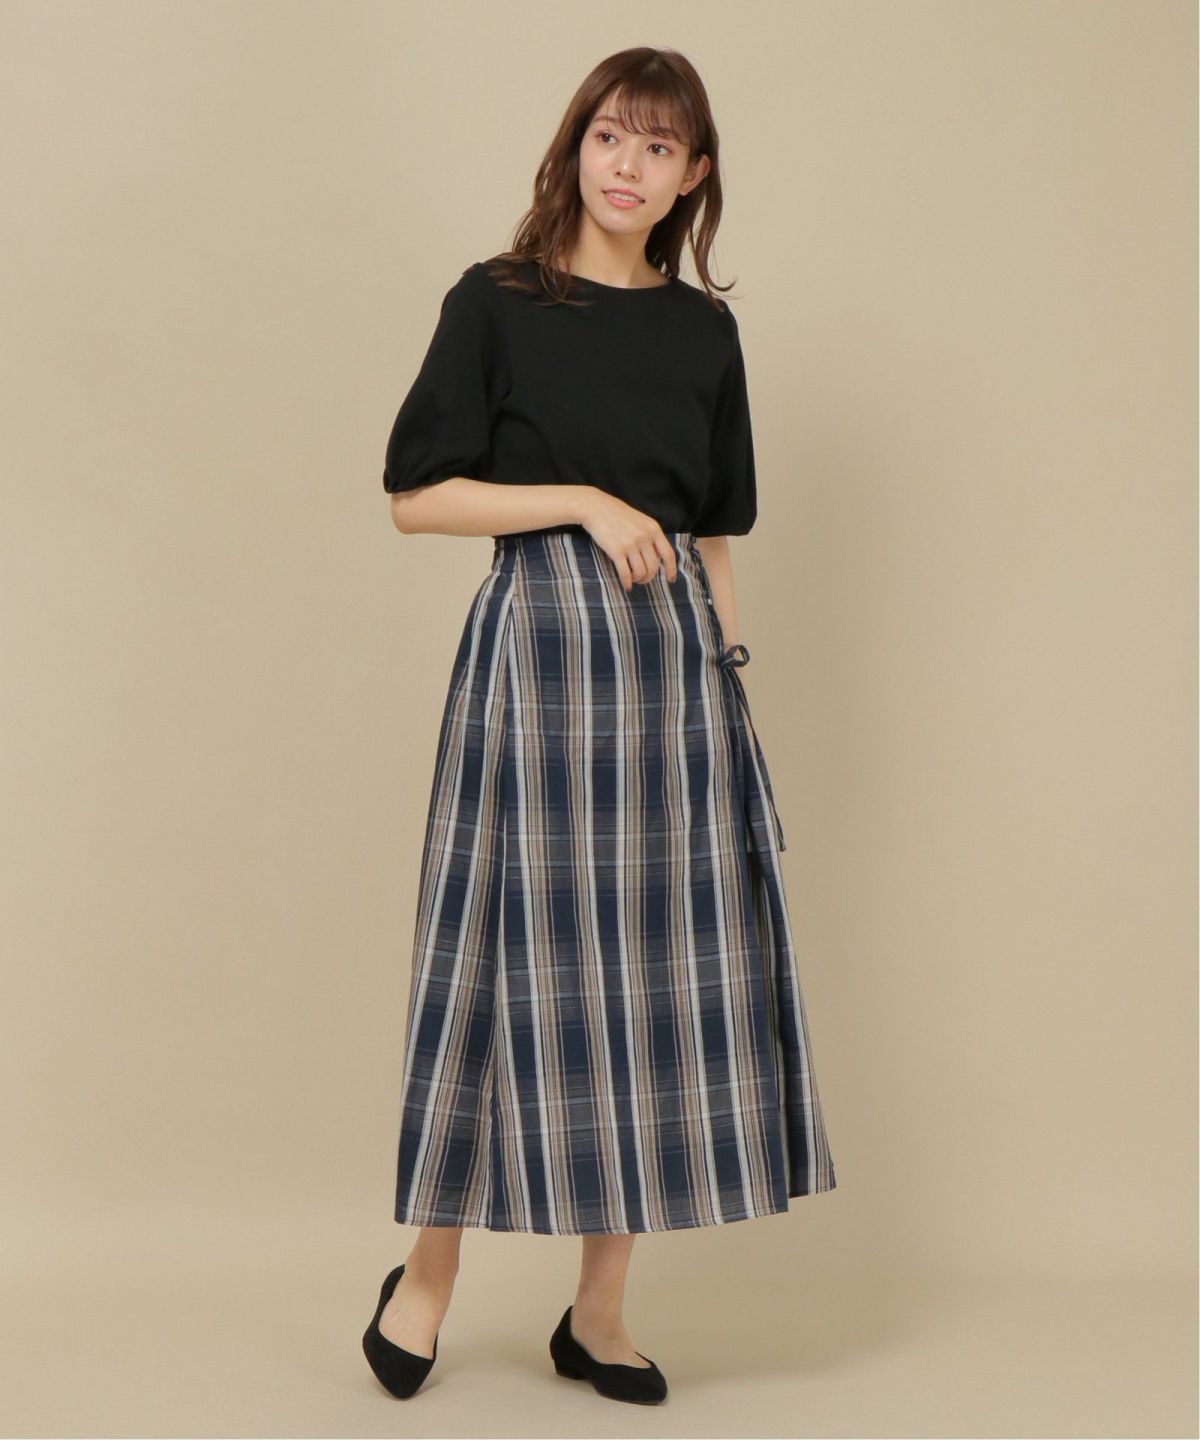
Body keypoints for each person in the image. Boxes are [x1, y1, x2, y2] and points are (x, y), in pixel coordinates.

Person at [361, 46, 837, 1406]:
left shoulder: (703, 336)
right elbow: (415, 496)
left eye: (660, 148)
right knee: (492, 960)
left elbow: (714, 531)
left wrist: (731, 679)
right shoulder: (497, 301)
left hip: (674, 675)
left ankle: (601, 1311)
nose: (629, 166)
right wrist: (580, 498)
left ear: (695, 177)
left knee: (652, 984)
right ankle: (427, 1281)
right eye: (612, 136)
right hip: (537, 657)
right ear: (576, 145)